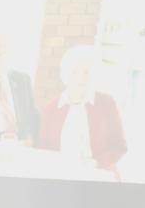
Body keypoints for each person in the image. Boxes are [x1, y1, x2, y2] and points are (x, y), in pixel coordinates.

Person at [38, 45, 127, 177]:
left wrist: (97, 163)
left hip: (98, 174)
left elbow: (119, 145)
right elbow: (43, 149)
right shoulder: (51, 108)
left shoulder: (107, 103)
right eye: (75, 71)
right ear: (66, 74)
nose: (81, 77)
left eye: (87, 72)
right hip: (59, 175)